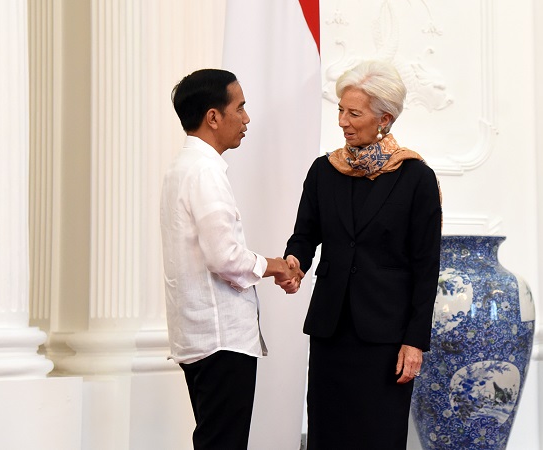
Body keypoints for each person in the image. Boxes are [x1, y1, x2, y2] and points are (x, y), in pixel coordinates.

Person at [284, 60, 442, 449]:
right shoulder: (323, 171)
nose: (342, 121)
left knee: (377, 436)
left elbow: (426, 268)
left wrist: (415, 341)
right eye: (340, 110)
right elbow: (305, 235)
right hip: (331, 331)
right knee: (327, 433)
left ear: (384, 118)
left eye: (353, 113)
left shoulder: (416, 178)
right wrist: (294, 262)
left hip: (386, 337)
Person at [160, 68, 303, 450]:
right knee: (223, 442)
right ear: (213, 117)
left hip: (200, 334)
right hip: (220, 337)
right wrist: (276, 265)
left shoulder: (182, 168)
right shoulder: (204, 171)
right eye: (239, 107)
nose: (247, 118)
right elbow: (224, 257)